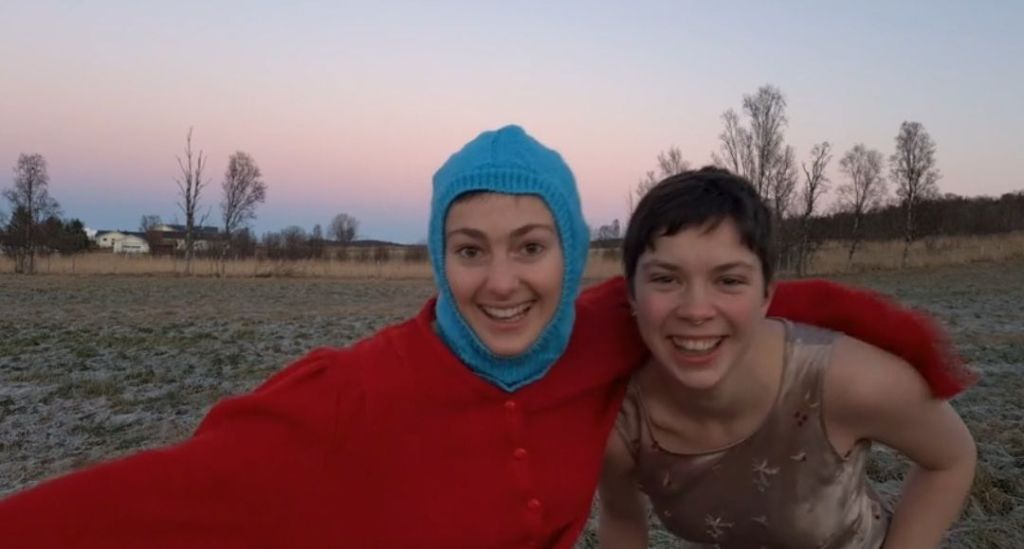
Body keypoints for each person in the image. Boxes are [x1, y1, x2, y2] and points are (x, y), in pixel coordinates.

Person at [0, 127, 966, 548]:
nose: (502, 282)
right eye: (470, 249)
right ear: (439, 252)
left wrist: (914, 345)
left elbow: (744, 291)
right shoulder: (356, 390)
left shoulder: (608, 326)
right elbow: (172, 488)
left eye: (530, 246)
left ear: (569, 254)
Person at [598, 167, 977, 549]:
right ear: (631, 293)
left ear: (766, 294)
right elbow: (622, 518)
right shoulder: (622, 422)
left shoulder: (842, 380)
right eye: (665, 279)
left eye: (729, 280)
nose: (696, 311)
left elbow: (951, 460)